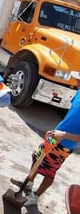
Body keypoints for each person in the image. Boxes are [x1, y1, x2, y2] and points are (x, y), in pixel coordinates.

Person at [10, 71, 80, 206]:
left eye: (78, 80)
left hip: (65, 144)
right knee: (37, 157)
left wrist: (64, 135)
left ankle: (36, 197)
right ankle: (28, 182)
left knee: (49, 171)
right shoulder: (78, 93)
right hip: (55, 134)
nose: (76, 82)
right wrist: (58, 130)